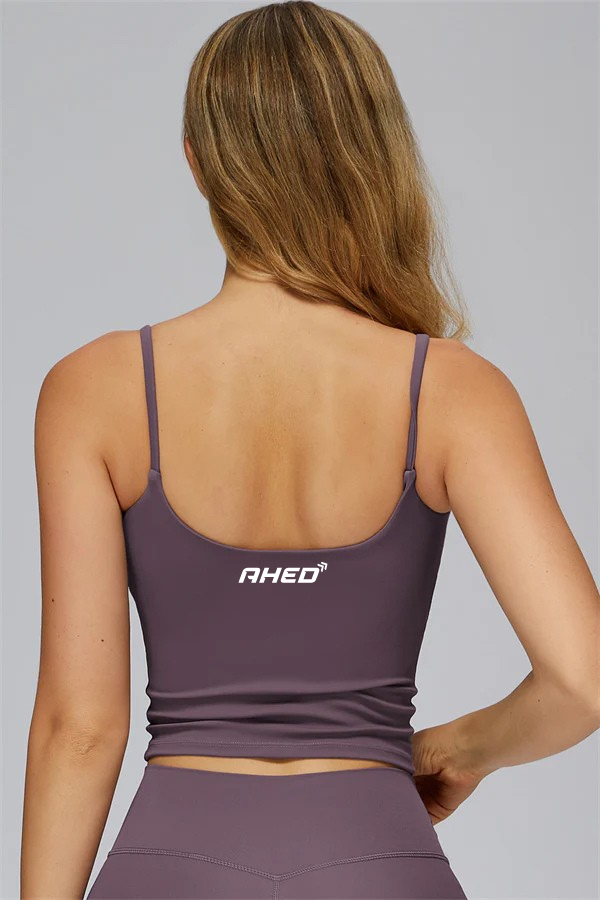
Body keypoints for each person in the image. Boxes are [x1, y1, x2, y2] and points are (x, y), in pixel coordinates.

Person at [20, 2, 599, 898]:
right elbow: (583, 682)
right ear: (373, 155)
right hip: (378, 860)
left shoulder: (93, 391)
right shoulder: (453, 391)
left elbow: (81, 728)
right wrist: (457, 750)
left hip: (169, 867)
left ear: (199, 162)